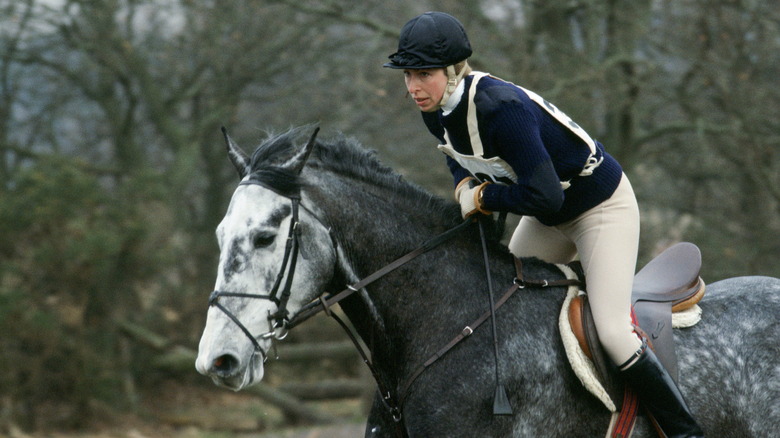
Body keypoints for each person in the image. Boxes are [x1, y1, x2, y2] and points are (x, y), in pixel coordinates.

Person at [384, 11, 704, 438]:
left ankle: (685, 430)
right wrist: (463, 186)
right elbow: (456, 154)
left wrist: (482, 197)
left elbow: (545, 196)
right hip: (549, 215)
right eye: (407, 75)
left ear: (453, 70)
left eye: (423, 74)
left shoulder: (502, 110)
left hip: (599, 208)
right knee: (498, 303)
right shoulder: (436, 108)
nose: (412, 87)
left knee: (612, 330)